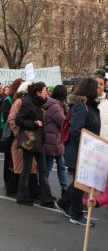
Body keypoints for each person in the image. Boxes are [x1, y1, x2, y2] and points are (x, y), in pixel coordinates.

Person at [55, 78, 100, 227]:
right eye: (97, 86)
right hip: (80, 151)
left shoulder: (90, 105)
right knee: (81, 183)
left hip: (87, 150)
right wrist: (91, 142)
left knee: (79, 182)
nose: (101, 89)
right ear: (90, 89)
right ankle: (76, 214)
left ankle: (63, 203)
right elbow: (76, 130)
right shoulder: (81, 106)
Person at [15, 81, 54, 208]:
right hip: (30, 140)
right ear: (38, 92)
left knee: (42, 170)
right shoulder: (27, 102)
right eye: (44, 91)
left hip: (38, 140)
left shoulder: (38, 102)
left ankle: (46, 199)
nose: (46, 93)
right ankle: (23, 197)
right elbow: (18, 120)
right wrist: (34, 124)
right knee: (27, 169)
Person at [6, 82, 39, 197]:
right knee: (20, 165)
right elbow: (11, 119)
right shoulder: (19, 101)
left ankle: (31, 191)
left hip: (28, 138)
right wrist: (17, 133)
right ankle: (14, 190)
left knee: (30, 166)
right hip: (20, 138)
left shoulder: (29, 102)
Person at [43, 85, 68, 197]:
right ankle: (45, 190)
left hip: (53, 139)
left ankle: (62, 189)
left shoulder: (52, 104)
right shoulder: (56, 107)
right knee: (51, 166)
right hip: (54, 140)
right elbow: (63, 122)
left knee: (57, 165)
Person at [1, 78, 23, 186]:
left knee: (14, 159)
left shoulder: (19, 99)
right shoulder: (9, 99)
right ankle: (7, 181)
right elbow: (6, 116)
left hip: (14, 133)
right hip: (10, 133)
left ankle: (13, 181)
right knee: (8, 158)